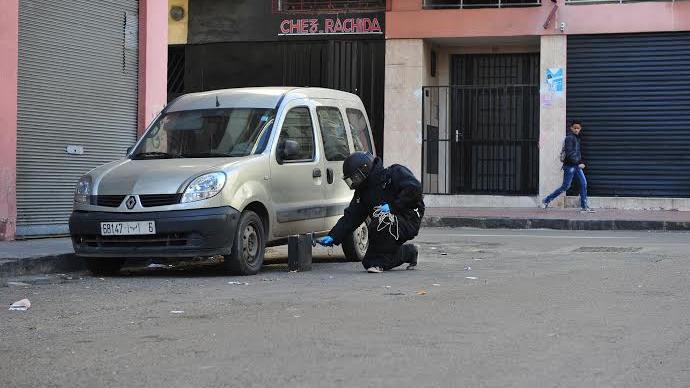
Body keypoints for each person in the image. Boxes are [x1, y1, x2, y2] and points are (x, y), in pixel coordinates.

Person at [316, 152, 425, 273]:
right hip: (385, 224)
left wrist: (393, 206)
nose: (353, 181)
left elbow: (414, 189)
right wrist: (334, 236)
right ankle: (409, 253)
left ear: (365, 170)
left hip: (409, 218)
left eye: (355, 177)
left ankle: (380, 262)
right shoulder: (363, 192)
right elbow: (351, 217)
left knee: (382, 223)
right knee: (369, 261)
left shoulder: (394, 173)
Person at [541, 121, 595, 212]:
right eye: (575, 128)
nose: (576, 129)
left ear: (580, 129)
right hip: (570, 166)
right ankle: (546, 200)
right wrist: (578, 163)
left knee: (583, 184)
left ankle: (584, 206)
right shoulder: (569, 138)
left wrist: (580, 162)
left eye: (578, 128)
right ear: (571, 128)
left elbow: (577, 153)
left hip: (576, 166)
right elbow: (570, 153)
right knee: (565, 186)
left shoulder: (577, 139)